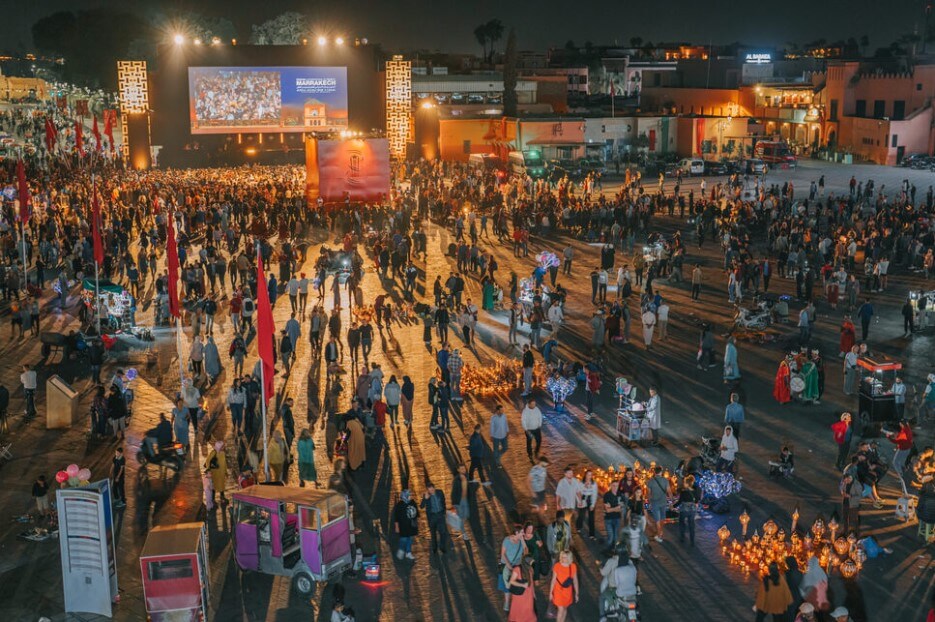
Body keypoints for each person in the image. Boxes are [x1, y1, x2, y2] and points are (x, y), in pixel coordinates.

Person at [499, 524, 528, 613]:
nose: (523, 534)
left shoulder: (520, 541)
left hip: (517, 567)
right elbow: (503, 553)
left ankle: (515, 604)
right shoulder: (507, 540)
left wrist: (522, 540)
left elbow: (526, 551)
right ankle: (507, 602)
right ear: (516, 533)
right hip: (507, 566)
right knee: (507, 586)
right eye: (522, 533)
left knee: (515, 585)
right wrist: (508, 565)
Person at [549, 549, 579, 622]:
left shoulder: (573, 566)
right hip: (558, 590)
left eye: (565, 557)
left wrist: (577, 593)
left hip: (568, 591)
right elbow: (553, 580)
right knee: (561, 609)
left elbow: (575, 581)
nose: (563, 559)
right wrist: (551, 593)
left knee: (565, 608)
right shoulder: (557, 566)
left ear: (569, 558)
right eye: (562, 557)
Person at [421, 482, 449, 555]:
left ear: (434, 488)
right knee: (433, 534)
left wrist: (444, 512)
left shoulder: (440, 492)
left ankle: (442, 547)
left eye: (432, 490)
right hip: (432, 517)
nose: (431, 492)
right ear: (427, 490)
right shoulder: (426, 495)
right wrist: (425, 499)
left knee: (443, 533)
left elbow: (443, 502)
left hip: (440, 515)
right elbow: (421, 506)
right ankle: (434, 548)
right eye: (430, 491)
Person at [393, 489, 419, 561]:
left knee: (410, 539)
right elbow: (397, 517)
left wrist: (416, 522)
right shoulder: (399, 505)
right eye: (409, 495)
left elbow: (416, 513)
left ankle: (408, 552)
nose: (410, 496)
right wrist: (397, 526)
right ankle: (401, 550)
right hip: (403, 526)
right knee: (404, 539)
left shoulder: (412, 502)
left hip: (411, 525)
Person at [647, 465, 670, 543]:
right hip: (663, 502)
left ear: (654, 472)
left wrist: (649, 502)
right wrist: (672, 501)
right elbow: (669, 491)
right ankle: (660, 532)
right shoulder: (665, 480)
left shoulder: (650, 481)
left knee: (657, 519)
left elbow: (649, 493)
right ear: (661, 471)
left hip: (654, 502)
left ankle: (659, 535)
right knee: (662, 518)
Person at [676, 474, 700, 545]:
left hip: (684, 510)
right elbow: (697, 501)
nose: (683, 484)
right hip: (692, 510)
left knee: (682, 523)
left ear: (687, 483)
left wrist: (673, 506)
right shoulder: (696, 491)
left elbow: (679, 501)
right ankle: (692, 541)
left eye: (684, 482)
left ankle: (682, 538)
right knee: (691, 525)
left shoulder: (683, 492)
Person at [576, 469, 599, 540]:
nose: (589, 476)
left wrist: (592, 505)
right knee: (581, 515)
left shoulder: (594, 484)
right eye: (588, 474)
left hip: (590, 500)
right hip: (583, 499)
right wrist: (579, 501)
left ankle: (592, 534)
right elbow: (578, 492)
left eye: (591, 475)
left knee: (591, 518)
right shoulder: (581, 483)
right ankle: (579, 526)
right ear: (585, 475)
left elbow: (595, 494)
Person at [204, 440, 228, 506]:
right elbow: (208, 461)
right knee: (214, 487)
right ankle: (213, 499)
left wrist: (226, 472)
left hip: (221, 474)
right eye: (223, 446)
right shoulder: (213, 453)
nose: (224, 447)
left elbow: (224, 463)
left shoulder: (223, 453)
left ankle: (222, 497)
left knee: (222, 486)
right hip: (215, 473)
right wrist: (208, 470)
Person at [603, 479, 623, 548]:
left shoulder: (620, 495)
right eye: (613, 486)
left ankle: (614, 550)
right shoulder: (607, 495)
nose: (615, 488)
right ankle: (608, 550)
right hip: (609, 519)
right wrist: (616, 508)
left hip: (617, 518)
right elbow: (607, 510)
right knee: (611, 537)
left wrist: (613, 508)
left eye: (616, 486)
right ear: (611, 486)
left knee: (616, 536)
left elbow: (621, 509)